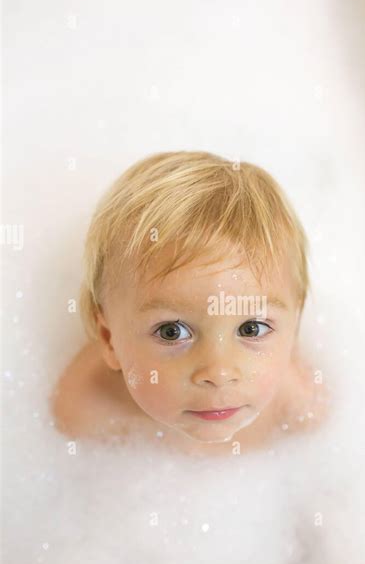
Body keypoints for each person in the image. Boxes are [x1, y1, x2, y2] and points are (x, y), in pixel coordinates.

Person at [51, 151, 327, 456]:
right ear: (109, 339)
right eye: (172, 332)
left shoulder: (299, 405)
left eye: (252, 328)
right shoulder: (88, 410)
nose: (219, 372)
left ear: (295, 326)